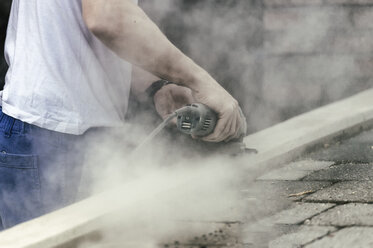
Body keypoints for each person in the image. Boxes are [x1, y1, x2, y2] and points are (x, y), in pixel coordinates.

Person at [0, 0, 246, 229]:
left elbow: (84, 29)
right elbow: (108, 18)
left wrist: (155, 86)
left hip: (64, 130)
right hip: (47, 133)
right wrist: (203, 83)